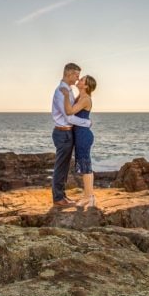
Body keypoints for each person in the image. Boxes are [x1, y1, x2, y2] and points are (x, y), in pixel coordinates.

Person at [51, 62, 91, 207]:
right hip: (62, 133)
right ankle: (58, 198)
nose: (77, 78)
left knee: (64, 166)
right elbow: (68, 117)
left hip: (67, 133)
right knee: (60, 166)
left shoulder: (68, 90)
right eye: (76, 75)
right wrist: (87, 123)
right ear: (68, 73)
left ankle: (62, 195)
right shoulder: (61, 91)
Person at [63, 74, 97, 210]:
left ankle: (90, 198)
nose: (79, 80)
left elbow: (70, 111)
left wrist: (65, 96)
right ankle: (88, 196)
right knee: (84, 166)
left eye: (82, 80)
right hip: (80, 134)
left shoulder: (85, 98)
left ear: (87, 85)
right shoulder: (80, 97)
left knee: (85, 165)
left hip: (83, 135)